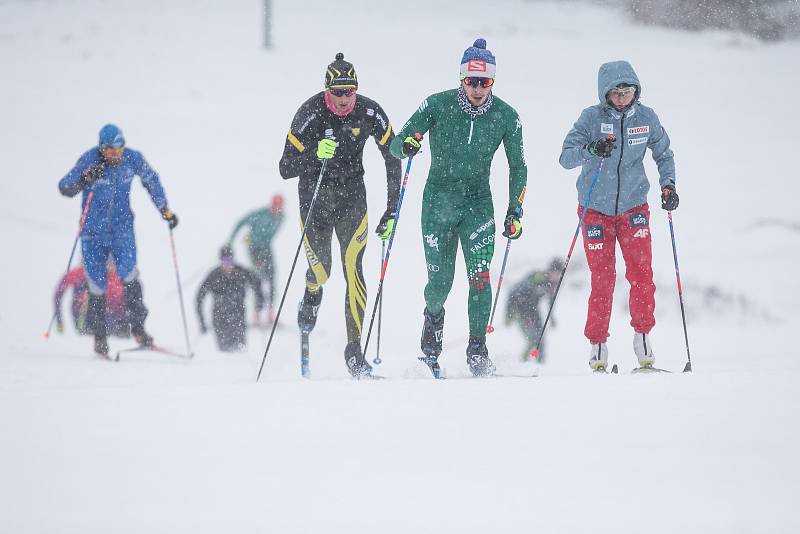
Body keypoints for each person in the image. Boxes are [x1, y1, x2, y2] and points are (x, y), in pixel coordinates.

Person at [390, 38, 528, 377]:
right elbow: (395, 144)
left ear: (493, 82)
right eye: (472, 81)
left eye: (485, 82)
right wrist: (407, 144)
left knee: (480, 278)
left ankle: (477, 349)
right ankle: (430, 346)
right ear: (461, 79)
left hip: (478, 205)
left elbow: (519, 167)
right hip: (438, 202)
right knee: (440, 285)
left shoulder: (507, 116)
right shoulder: (436, 104)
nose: (479, 89)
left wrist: (515, 210)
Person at [279, 52, 401, 378]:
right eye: (338, 92)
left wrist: (393, 209)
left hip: (352, 202)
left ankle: (354, 350)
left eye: (350, 91)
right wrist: (313, 154)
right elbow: (284, 168)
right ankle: (311, 295)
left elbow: (394, 155)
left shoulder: (369, 110)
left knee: (353, 268)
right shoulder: (309, 113)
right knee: (322, 272)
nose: (345, 99)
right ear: (326, 90)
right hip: (314, 204)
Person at [558, 60, 678, 372]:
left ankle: (643, 338)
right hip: (595, 210)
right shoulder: (591, 117)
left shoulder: (647, 118)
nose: (623, 97)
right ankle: (598, 345)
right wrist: (592, 149)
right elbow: (566, 157)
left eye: (628, 91)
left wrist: (669, 186)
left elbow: (663, 153)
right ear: (605, 94)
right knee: (603, 278)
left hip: (634, 207)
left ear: (636, 91)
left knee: (641, 273)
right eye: (616, 92)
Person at [58, 124, 179, 357]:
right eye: (110, 151)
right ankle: (100, 338)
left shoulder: (132, 158)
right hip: (93, 233)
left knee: (130, 275)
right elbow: (65, 186)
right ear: (101, 148)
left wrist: (164, 210)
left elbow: (151, 180)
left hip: (122, 230)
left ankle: (139, 329)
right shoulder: (90, 160)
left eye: (119, 149)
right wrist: (85, 179)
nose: (116, 154)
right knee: (96, 285)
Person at [228, 194, 285, 325]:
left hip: (267, 249)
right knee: (258, 279)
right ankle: (257, 314)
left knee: (272, 279)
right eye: (275, 206)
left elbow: (270, 235)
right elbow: (240, 222)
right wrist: (231, 240)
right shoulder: (260, 214)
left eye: (279, 207)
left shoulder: (282, 218)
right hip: (254, 249)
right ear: (271, 205)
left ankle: (270, 313)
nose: (277, 209)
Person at [196, 246, 265, 352]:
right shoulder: (214, 275)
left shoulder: (241, 272)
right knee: (225, 353)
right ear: (220, 261)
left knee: (240, 352)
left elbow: (257, 283)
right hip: (220, 320)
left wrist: (258, 306)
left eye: (230, 260)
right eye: (225, 261)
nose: (228, 264)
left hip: (238, 318)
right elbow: (199, 297)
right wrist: (202, 322)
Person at [505, 258, 563, 363]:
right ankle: (522, 363)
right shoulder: (538, 277)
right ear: (550, 271)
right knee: (533, 339)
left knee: (541, 339)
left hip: (533, 311)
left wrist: (552, 318)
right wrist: (508, 315)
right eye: (555, 273)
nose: (557, 276)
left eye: (559, 274)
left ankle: (540, 365)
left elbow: (551, 301)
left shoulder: (553, 284)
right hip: (520, 309)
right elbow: (514, 291)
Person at [53, 260, 129, 337]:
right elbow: (59, 294)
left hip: (110, 320)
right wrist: (59, 319)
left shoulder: (115, 277)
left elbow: (58, 294)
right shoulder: (80, 273)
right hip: (87, 318)